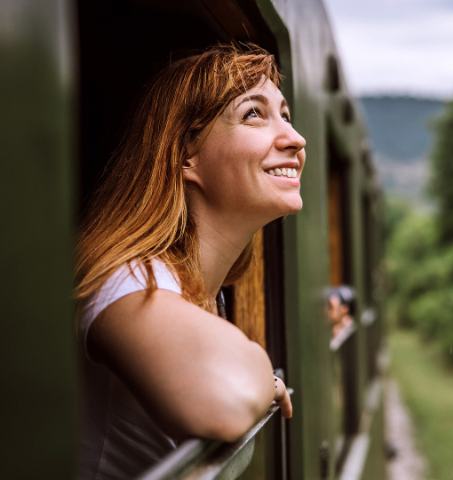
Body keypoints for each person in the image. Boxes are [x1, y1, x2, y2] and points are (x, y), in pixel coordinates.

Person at [74, 44, 302, 478]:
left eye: (286, 115)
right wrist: (264, 374)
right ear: (184, 154)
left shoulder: (191, 287)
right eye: (254, 114)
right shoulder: (128, 281)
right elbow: (227, 397)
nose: (295, 138)